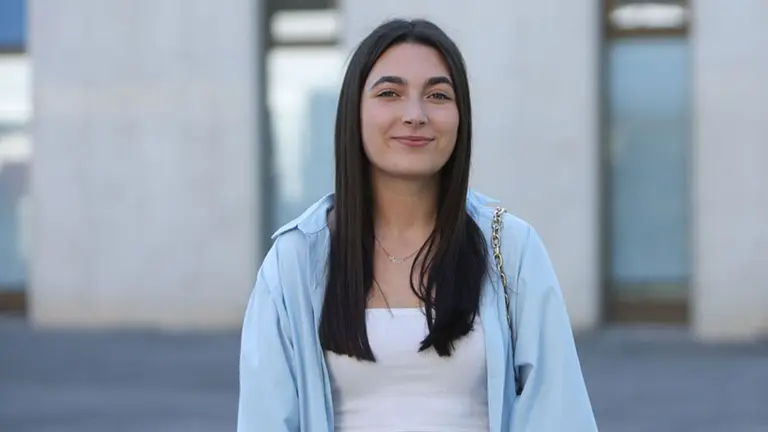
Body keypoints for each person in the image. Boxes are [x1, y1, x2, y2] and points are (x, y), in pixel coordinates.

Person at [237, 18, 597, 432]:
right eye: (389, 93)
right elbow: (266, 418)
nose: (415, 115)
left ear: (461, 117)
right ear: (354, 112)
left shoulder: (510, 247)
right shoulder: (296, 260)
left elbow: (558, 412)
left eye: (437, 95)